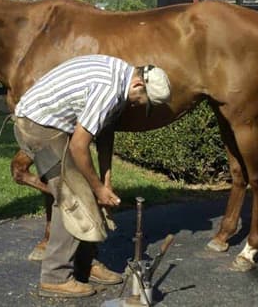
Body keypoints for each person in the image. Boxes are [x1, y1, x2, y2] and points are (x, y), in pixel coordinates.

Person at [13, 54, 170, 298]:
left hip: (53, 125)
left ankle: (84, 264)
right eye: (143, 101)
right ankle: (54, 277)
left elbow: (104, 134)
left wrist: (105, 181)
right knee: (74, 197)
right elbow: (79, 146)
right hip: (37, 125)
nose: (139, 105)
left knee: (84, 190)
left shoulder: (122, 78)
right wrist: (97, 189)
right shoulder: (108, 89)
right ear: (139, 85)